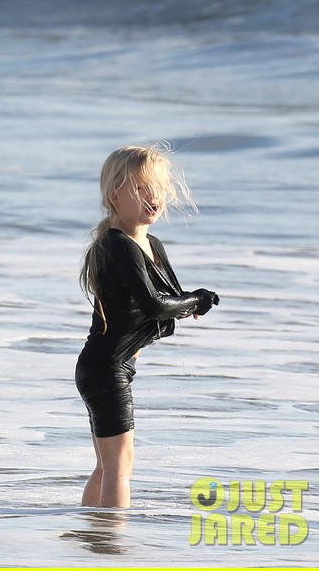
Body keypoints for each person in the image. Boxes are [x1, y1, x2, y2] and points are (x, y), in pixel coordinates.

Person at [75, 144, 219, 508]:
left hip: (112, 368)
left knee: (110, 465)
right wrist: (194, 302)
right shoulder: (117, 244)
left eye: (156, 188)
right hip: (105, 369)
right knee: (120, 466)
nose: (151, 197)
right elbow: (157, 305)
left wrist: (190, 302)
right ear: (114, 196)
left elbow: (169, 295)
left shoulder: (150, 243)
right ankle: (113, 546)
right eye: (139, 189)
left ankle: (94, 533)